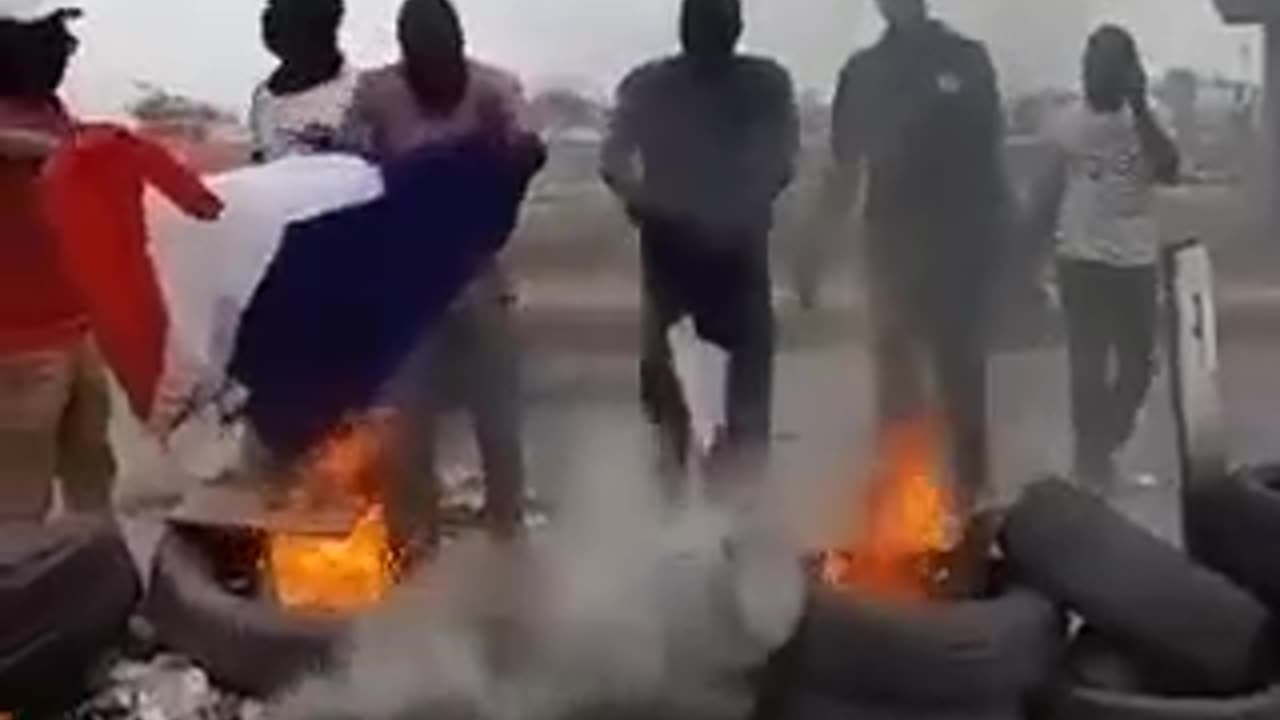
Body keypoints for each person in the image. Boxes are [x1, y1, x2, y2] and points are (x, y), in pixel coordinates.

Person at [340, 0, 544, 552]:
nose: (435, 72)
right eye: (421, 59)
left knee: (498, 418)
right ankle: (415, 542)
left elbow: (527, 155)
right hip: (405, 281)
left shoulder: (495, 90)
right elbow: (350, 174)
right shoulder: (375, 94)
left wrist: (504, 172)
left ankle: (508, 536)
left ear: (460, 46)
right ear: (405, 55)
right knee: (407, 423)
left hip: (476, 272)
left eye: (444, 55)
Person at [601, 0, 798, 491]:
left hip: (734, 258)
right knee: (671, 401)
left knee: (742, 403)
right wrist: (643, 200)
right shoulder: (650, 88)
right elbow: (613, 159)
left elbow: (781, 158)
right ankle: (683, 514)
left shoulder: (763, 85)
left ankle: (734, 515)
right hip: (676, 258)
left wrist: (736, 204)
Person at [823, 0, 1007, 510]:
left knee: (962, 373)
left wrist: (999, 243)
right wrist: (813, 248)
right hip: (892, 243)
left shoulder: (967, 60)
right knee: (896, 375)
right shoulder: (863, 73)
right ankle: (902, 499)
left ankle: (971, 497)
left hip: (959, 241)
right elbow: (843, 166)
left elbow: (991, 158)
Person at [1030, 26, 1179, 487]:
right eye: (1094, 67)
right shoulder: (1066, 122)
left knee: (1138, 365)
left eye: (1113, 67)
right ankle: (1090, 462)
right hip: (1081, 256)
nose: (1100, 76)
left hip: (1134, 258)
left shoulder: (1153, 118)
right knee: (1087, 363)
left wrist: (1138, 107)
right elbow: (1049, 192)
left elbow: (1170, 170)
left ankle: (1102, 444)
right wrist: (1031, 255)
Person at [0, 2, 116, 521]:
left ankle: (96, 582)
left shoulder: (50, 109)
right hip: (18, 343)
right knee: (20, 497)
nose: (64, 53)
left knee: (92, 473)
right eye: (51, 40)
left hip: (78, 329)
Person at [249, 0, 356, 162]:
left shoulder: (358, 95)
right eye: (271, 8)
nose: (269, 20)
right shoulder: (264, 96)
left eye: (282, 10)